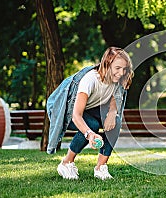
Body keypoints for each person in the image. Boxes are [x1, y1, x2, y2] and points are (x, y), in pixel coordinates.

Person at [46, 47, 134, 180]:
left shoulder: (118, 80)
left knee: (116, 121)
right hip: (64, 110)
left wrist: (112, 113)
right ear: (107, 64)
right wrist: (90, 134)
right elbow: (76, 115)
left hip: (90, 110)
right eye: (117, 68)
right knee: (91, 125)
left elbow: (117, 95)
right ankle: (66, 163)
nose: (121, 73)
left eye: (124, 69)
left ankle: (100, 168)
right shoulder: (90, 80)